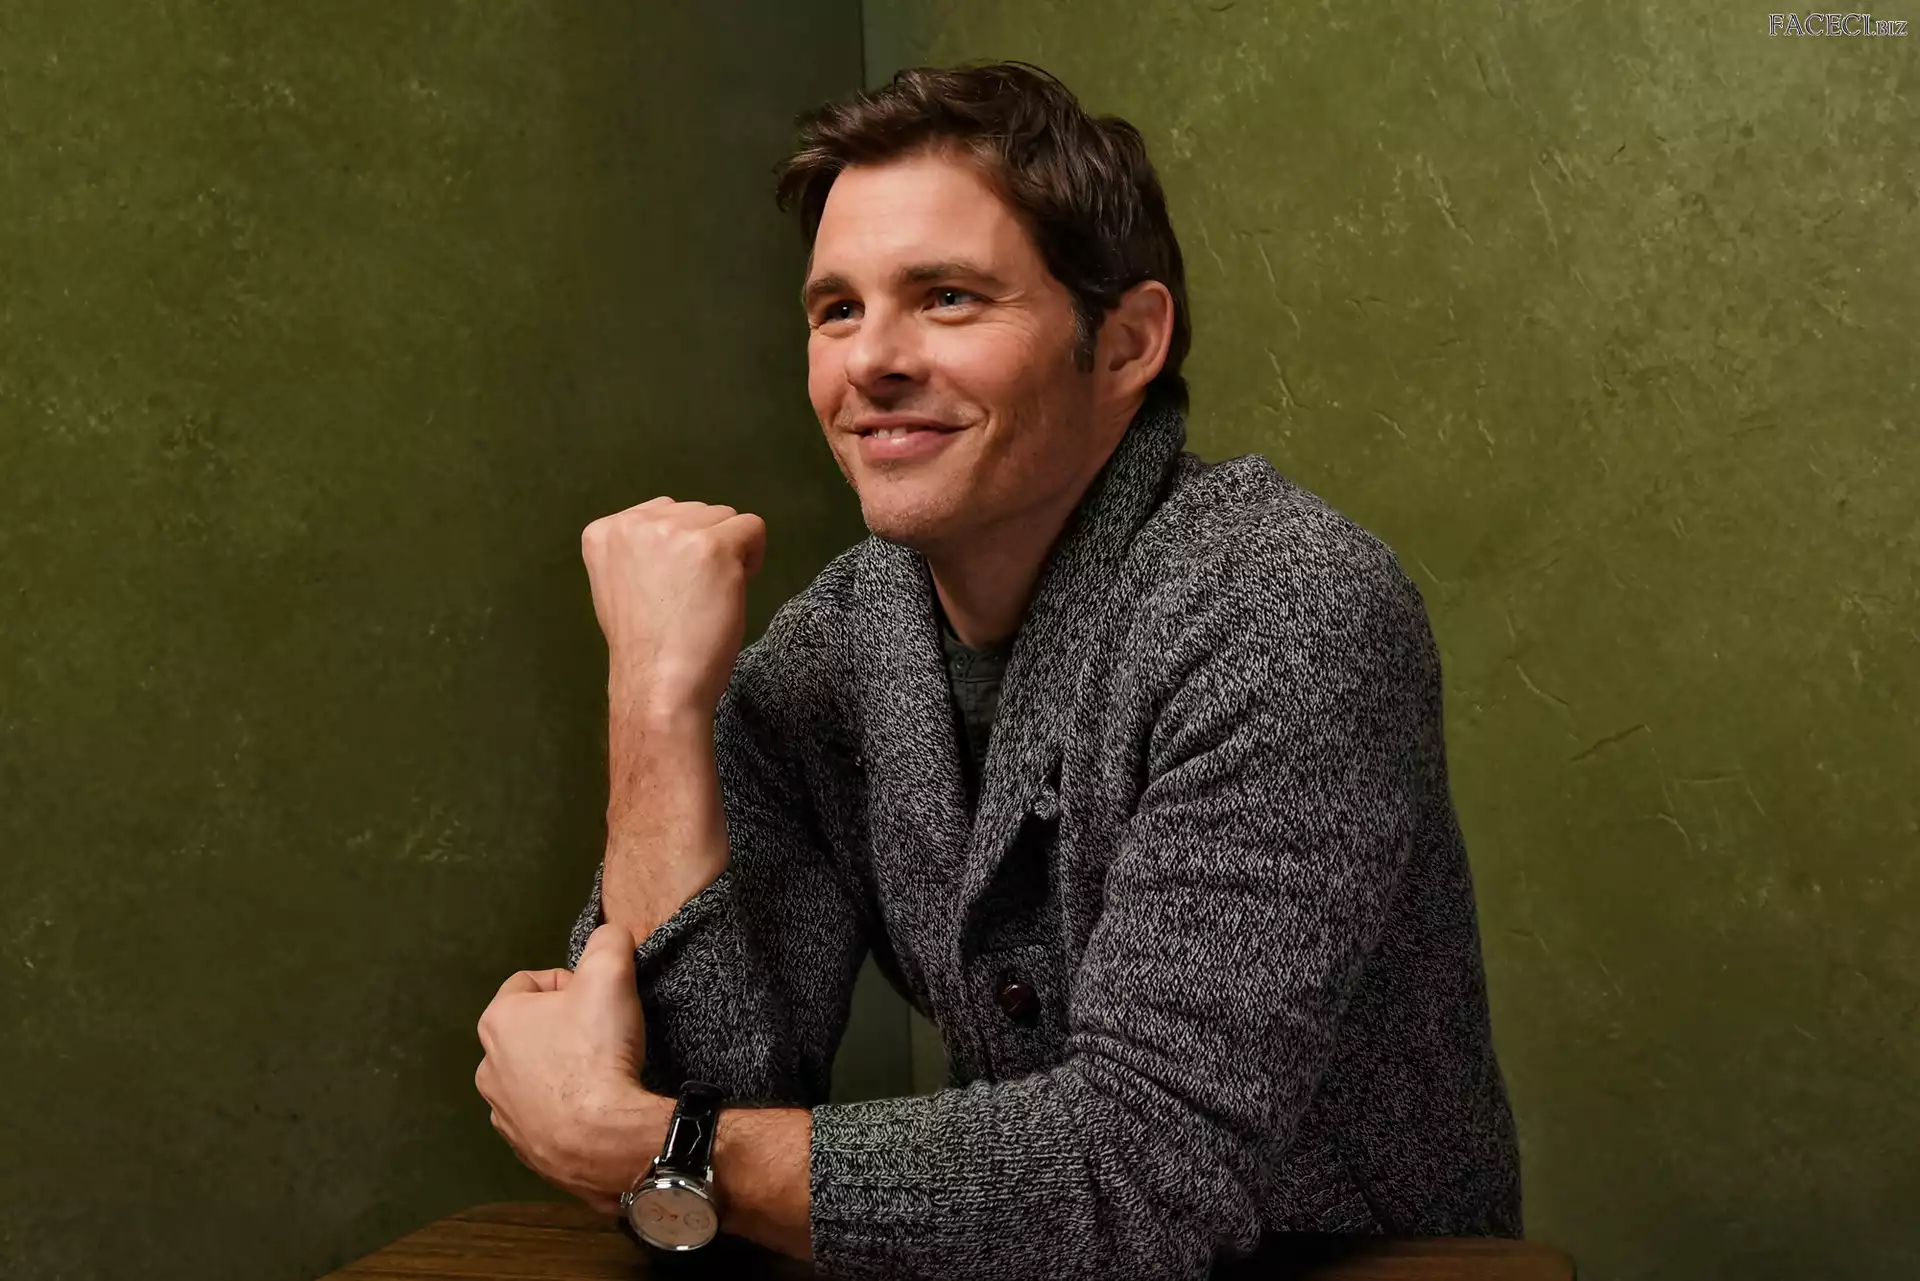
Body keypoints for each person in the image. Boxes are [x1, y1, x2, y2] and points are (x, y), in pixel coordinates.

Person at [473, 60, 1521, 1281]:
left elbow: (1144, 1175)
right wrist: (656, 705)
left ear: (1125, 343)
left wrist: (653, 1147)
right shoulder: (839, 649)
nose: (871, 361)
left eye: (949, 298)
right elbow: (697, 1120)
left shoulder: (1286, 607)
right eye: (837, 310)